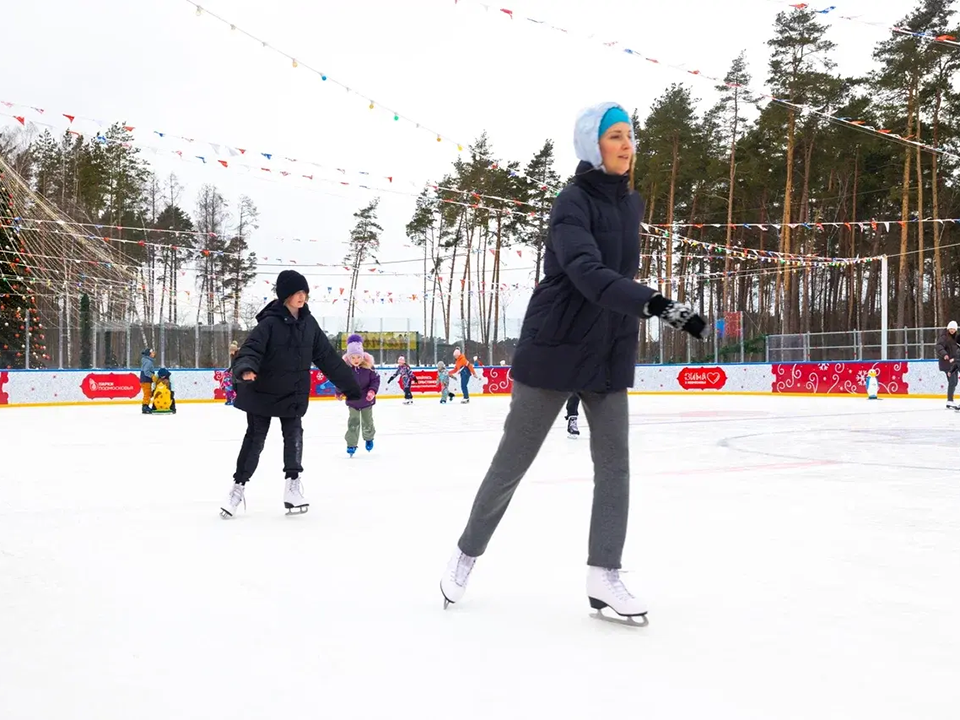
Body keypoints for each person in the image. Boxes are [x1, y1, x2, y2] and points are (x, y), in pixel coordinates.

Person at [439, 102, 708, 622]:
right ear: (593, 146)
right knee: (511, 465)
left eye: (630, 134)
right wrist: (660, 306)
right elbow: (586, 272)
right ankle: (466, 554)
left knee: (615, 465)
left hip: (608, 348)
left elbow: (616, 275)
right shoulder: (571, 202)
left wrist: (635, 314)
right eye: (615, 136)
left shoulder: (632, 204)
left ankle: (603, 575)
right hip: (556, 347)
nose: (627, 144)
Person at [221, 270, 362, 517]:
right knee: (255, 439)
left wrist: (350, 386)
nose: (302, 297)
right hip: (262, 391)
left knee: (294, 436)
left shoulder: (309, 325)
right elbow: (250, 350)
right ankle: (238, 488)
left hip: (293, 392)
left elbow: (328, 358)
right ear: (285, 295)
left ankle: (292, 488)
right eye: (297, 292)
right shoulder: (269, 323)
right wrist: (245, 369)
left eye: (304, 293)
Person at [340, 334, 380, 456]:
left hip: (367, 400)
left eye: (358, 356)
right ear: (348, 358)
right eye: (353, 357)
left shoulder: (369, 368)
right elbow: (341, 381)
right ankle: (351, 444)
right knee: (353, 422)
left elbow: (375, 380)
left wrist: (372, 391)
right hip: (353, 400)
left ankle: (369, 438)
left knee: (367, 422)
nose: (356, 359)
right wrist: (339, 391)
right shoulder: (346, 370)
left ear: (362, 356)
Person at [936, 320, 959, 409]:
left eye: (954, 329)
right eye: (951, 329)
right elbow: (939, 346)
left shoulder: (956, 339)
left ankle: (950, 401)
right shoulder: (944, 337)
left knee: (954, 382)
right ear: (948, 329)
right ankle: (950, 400)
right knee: (952, 381)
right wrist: (944, 354)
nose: (952, 330)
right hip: (946, 363)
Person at [139, 348, 156, 414]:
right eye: (152, 353)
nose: (154, 354)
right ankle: (145, 407)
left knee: (148, 393)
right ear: (149, 354)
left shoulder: (147, 360)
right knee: (147, 394)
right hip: (145, 380)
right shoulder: (148, 362)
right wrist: (152, 376)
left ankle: (146, 405)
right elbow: (146, 371)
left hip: (145, 380)